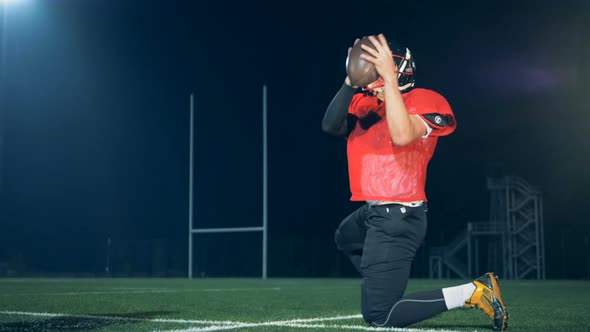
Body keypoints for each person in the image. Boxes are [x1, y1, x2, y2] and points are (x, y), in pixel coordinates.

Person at [321, 34, 508, 331]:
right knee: (345, 238)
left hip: (399, 216)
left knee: (380, 318)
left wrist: (389, 81)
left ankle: (473, 291)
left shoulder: (426, 100)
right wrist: (349, 81)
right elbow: (330, 125)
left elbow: (401, 134)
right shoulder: (366, 105)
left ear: (397, 69)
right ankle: (383, 280)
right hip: (372, 213)